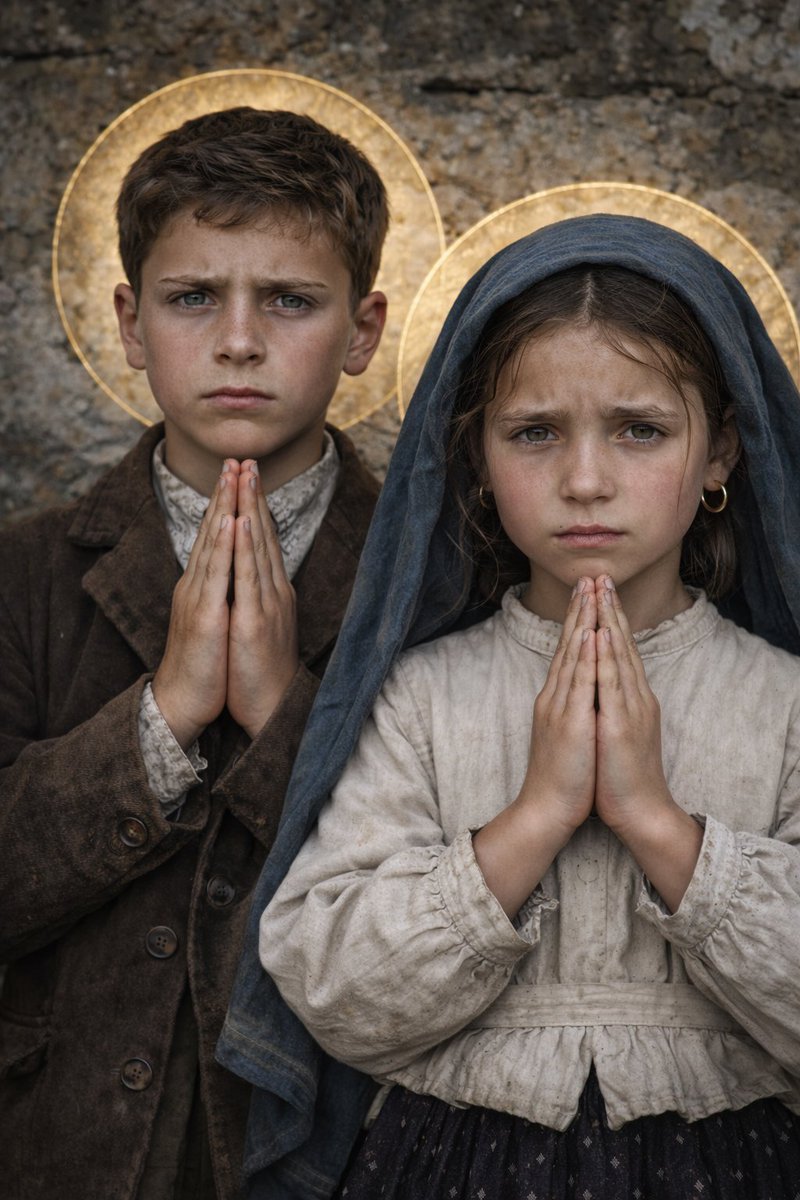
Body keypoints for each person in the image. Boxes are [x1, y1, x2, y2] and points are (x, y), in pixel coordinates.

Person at [245, 214, 800, 1199]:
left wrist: (655, 823)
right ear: (474, 456)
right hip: (446, 1164)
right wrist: (537, 814)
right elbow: (332, 989)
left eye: (640, 430)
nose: (584, 480)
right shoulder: (420, 697)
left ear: (719, 452)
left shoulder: (782, 703)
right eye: (534, 433)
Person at [0, 105, 388, 1200]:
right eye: (191, 298)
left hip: (327, 1143)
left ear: (361, 330)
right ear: (128, 322)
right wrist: (161, 716)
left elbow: (451, 877)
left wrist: (281, 720)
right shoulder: (23, 575)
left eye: (289, 301)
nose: (237, 340)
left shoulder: (428, 579)